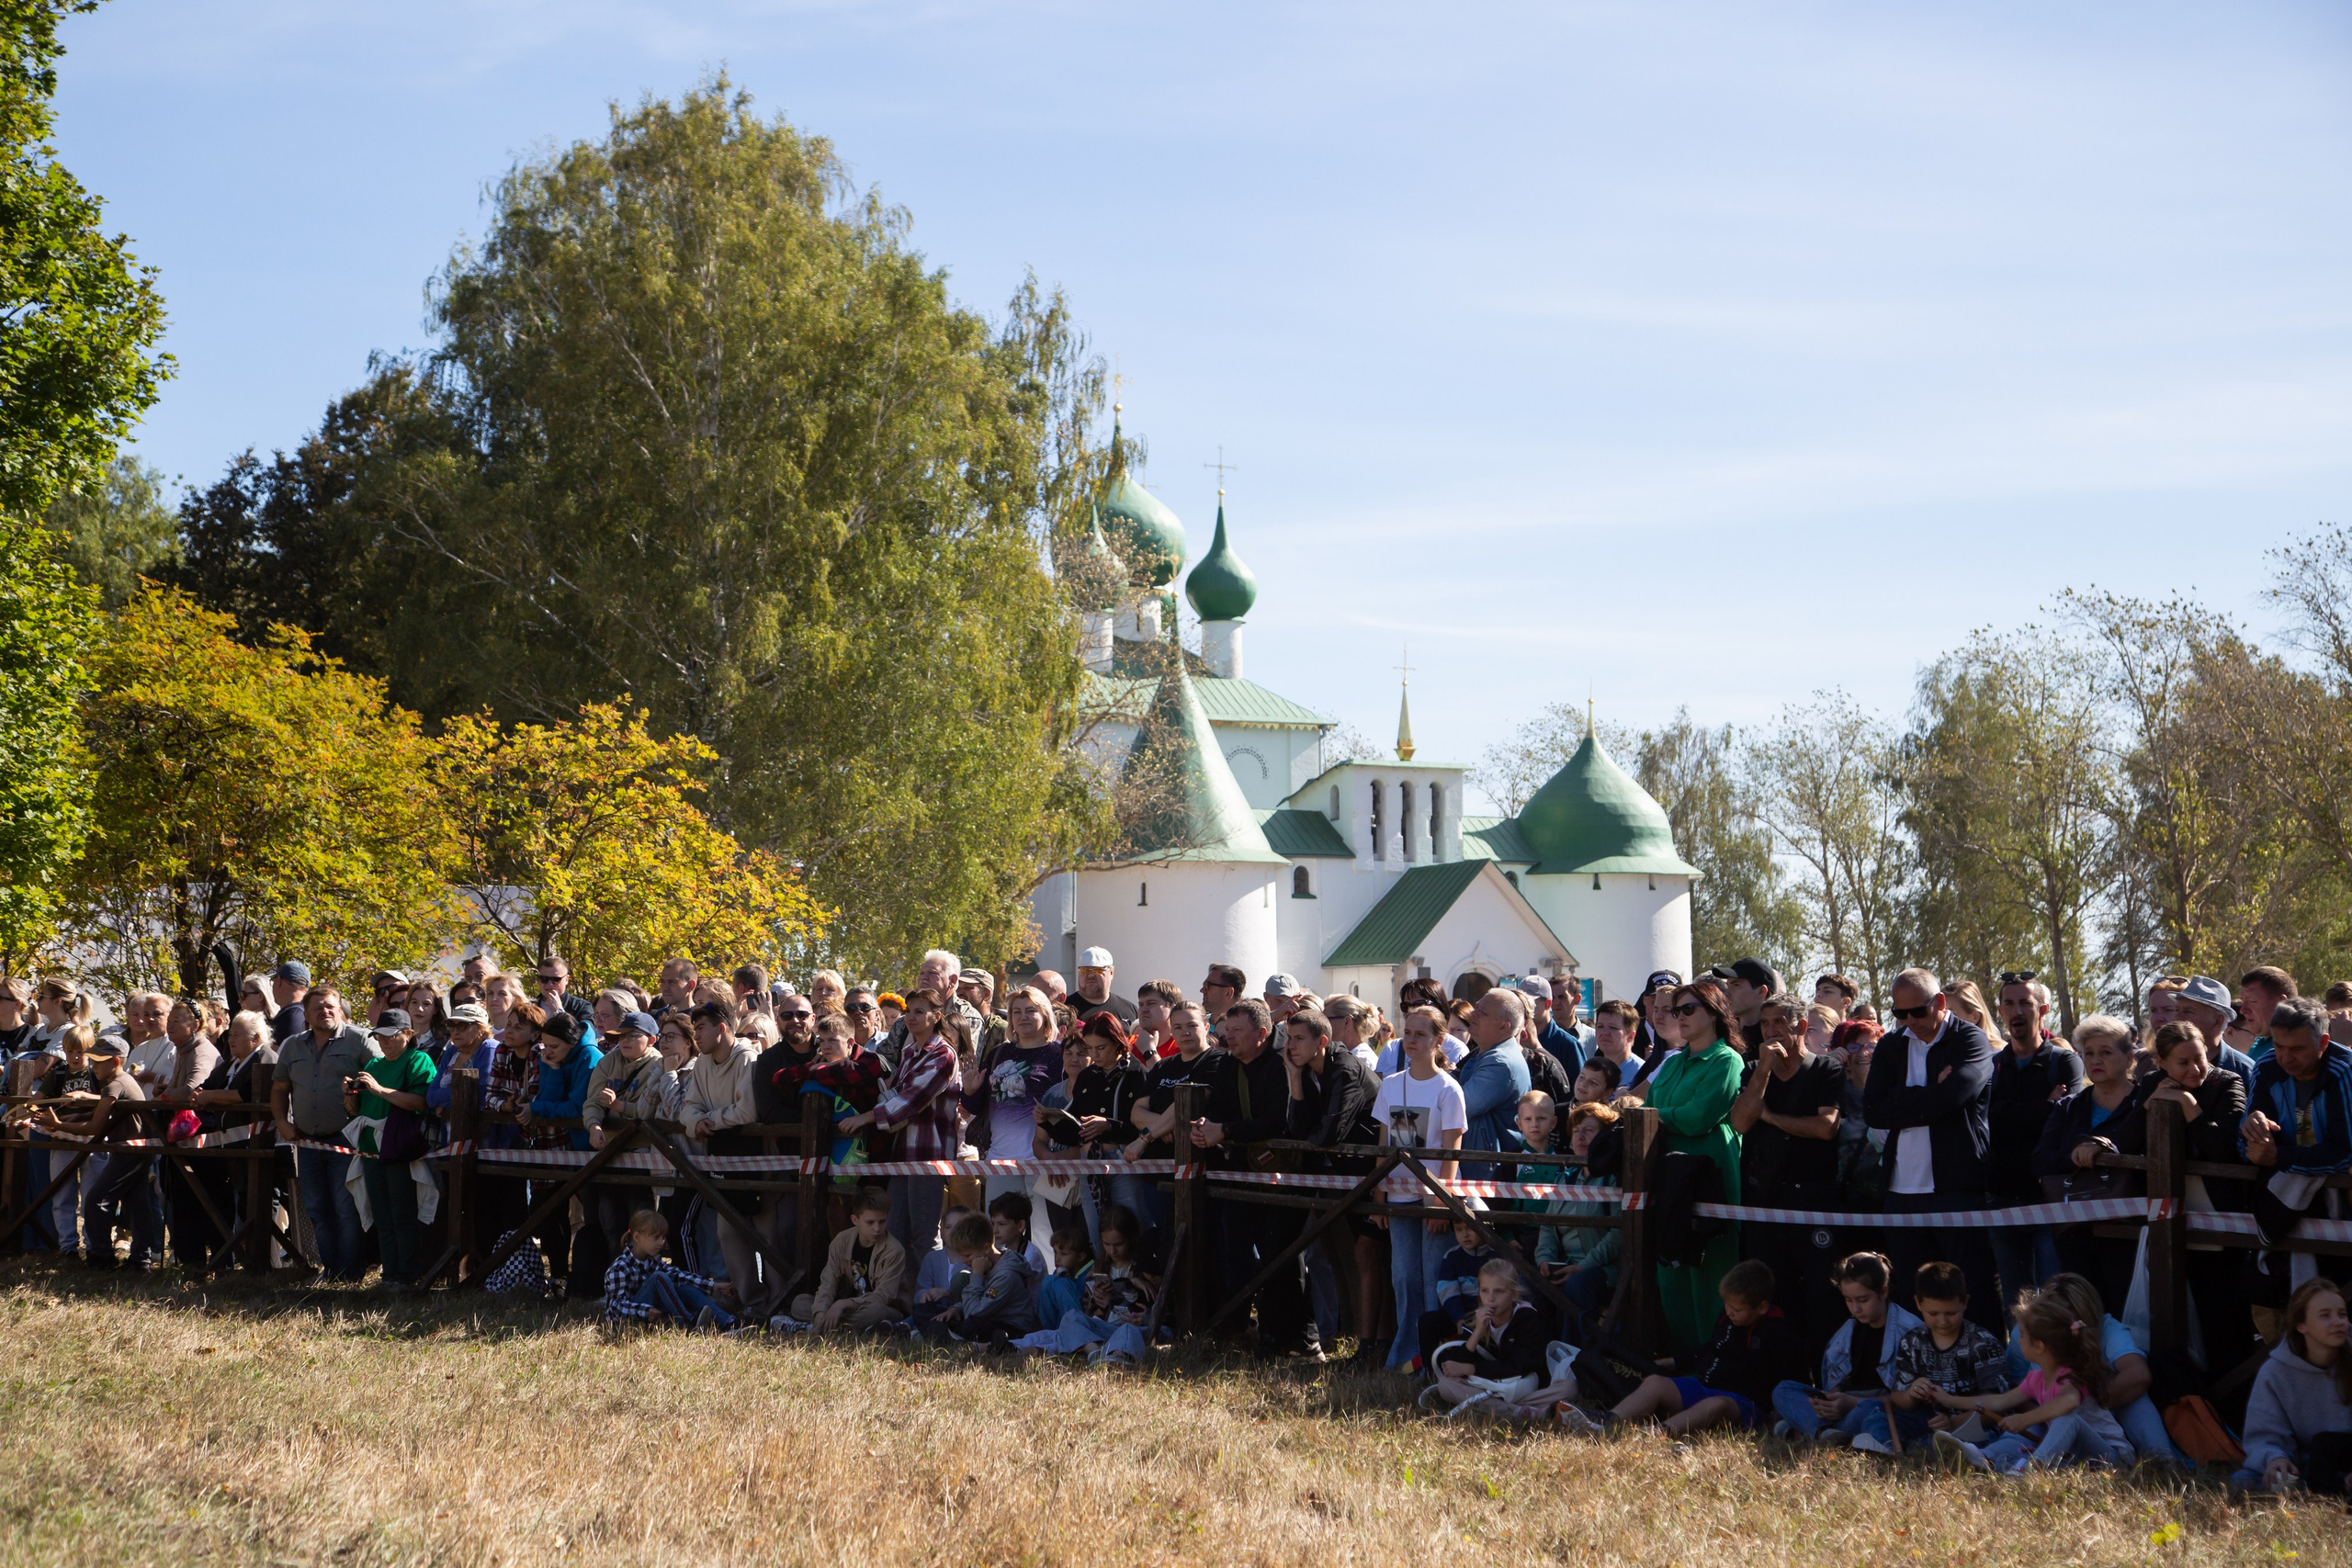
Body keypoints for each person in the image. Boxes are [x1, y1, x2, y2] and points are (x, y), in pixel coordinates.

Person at [1863, 966, 2000, 1330]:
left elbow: (1955, 1097)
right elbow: (1873, 1110)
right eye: (1900, 1013)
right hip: (1900, 1192)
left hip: (1956, 1188)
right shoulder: (1892, 1045)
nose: (1910, 1021)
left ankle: (1986, 1362)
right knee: (1912, 1296)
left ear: (1939, 1002)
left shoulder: (1970, 1040)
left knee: (1971, 1290)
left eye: (1918, 1011)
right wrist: (1930, 1092)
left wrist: (1901, 1100)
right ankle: (1917, 1362)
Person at [1194, 998, 1317, 1359]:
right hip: (1242, 1174)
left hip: (1287, 1174)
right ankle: (1257, 1331)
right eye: (1226, 1030)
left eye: (1237, 1031)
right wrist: (1205, 1127)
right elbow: (1220, 1110)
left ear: (1262, 1033)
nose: (1228, 1037)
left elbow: (1279, 1122)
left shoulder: (1285, 1062)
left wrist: (1225, 1130)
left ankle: (1300, 1338)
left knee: (1283, 1256)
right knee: (1237, 1254)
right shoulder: (1228, 1065)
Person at [1560, 1260, 1798, 1438]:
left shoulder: (1778, 1333)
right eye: (1727, 1305)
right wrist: (1674, 1362)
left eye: (1737, 1309)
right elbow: (1712, 1349)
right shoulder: (1727, 1319)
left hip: (1742, 1403)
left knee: (1717, 1405)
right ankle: (1607, 1420)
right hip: (1706, 1386)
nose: (1729, 1312)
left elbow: (1788, 1380)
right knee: (1655, 1382)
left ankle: (1657, 1434)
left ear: (1762, 1308)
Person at [1730, 992, 1846, 1349]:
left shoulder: (1826, 1070)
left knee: (1821, 1294)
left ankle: (1824, 1369)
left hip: (1813, 1199)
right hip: (1764, 1200)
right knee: (1772, 1294)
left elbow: (1826, 1128)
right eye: (1766, 1024)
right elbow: (1740, 1122)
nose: (1771, 1031)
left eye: (1780, 1022)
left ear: (1802, 1025)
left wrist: (1770, 1117)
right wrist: (1763, 1071)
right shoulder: (1754, 1070)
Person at [1647, 979, 1747, 1352]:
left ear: (1715, 1013)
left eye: (1688, 1008)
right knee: (1672, 1275)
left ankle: (1717, 1361)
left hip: (1710, 1179)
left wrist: (1658, 1117)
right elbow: (1652, 1111)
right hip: (1670, 1180)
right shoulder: (1673, 1063)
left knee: (1712, 1277)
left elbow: (1698, 1118)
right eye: (1677, 1010)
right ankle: (1684, 1364)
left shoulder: (1728, 1060)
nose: (1679, 1016)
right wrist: (1660, 1116)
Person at [1933, 1292, 2134, 1472]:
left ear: (2039, 1346)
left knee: (2066, 1419)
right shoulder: (2036, 1378)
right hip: (2077, 1459)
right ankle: (1985, 1457)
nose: (2018, 1340)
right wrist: (1950, 1400)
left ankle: (2030, 1470)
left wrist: (2024, 1419)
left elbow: (2070, 1401)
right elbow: (2000, 1401)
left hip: (2113, 1459)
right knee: (2017, 1450)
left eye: (2022, 1335)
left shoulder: (2069, 1377)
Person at [842, 987, 966, 1279]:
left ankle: (934, 1295)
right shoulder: (909, 1052)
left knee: (924, 1236)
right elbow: (892, 1094)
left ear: (937, 1016)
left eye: (919, 1012)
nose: (911, 1017)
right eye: (908, 1011)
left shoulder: (944, 1054)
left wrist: (866, 1118)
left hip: (929, 1156)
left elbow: (910, 1101)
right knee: (896, 1233)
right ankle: (907, 1297)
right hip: (901, 1152)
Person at [2030, 1015, 2145, 1312]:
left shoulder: (2146, 1104)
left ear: (2129, 1058)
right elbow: (2041, 1161)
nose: (2095, 1060)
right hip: (2076, 1230)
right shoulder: (2068, 1107)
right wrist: (2073, 1157)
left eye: (2106, 1052)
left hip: (2131, 1230)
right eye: (2089, 1053)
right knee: (2084, 1315)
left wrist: (2104, 1154)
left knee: (2128, 1314)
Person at [1374, 1004, 1465, 1370]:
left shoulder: (1449, 1088)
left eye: (1420, 1034)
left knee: (1433, 1281)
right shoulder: (1391, 1084)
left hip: (1433, 1198)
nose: (1411, 1040)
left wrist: (1441, 1200)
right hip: (1398, 1194)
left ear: (1438, 1040)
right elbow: (1384, 1144)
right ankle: (1405, 1355)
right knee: (1404, 1277)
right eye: (1407, 1033)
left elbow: (1451, 1151)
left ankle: (1434, 1357)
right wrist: (1379, 1191)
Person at [270, 987, 379, 1282]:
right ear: (306, 1015)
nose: (325, 1011)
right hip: (307, 1141)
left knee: (346, 1210)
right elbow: (279, 1088)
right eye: (317, 1008)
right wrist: (282, 1122)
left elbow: (381, 1077)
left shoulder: (360, 1040)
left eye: (330, 1006)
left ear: (340, 1010)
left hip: (348, 1141)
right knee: (317, 1209)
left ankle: (351, 1274)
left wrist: (357, 1093)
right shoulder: (293, 1046)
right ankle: (331, 1271)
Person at [1769, 1251, 1921, 1445]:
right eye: (1849, 1300)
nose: (1855, 1309)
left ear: (1883, 1291)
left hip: (1877, 1409)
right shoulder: (1846, 1332)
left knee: (1869, 1412)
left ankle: (1811, 1430)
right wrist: (1827, 1402)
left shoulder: (1909, 1332)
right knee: (1784, 1390)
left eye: (1863, 1300)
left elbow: (1908, 1403)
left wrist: (1851, 1403)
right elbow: (1836, 1384)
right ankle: (1825, 1432)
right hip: (1846, 1406)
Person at [39, 1038, 159, 1269]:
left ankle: (102, 1257)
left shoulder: (114, 1086)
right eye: (92, 1060)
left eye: (98, 1061)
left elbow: (95, 1127)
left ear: (115, 1062)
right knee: (137, 1204)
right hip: (136, 1150)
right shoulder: (124, 1081)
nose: (93, 1066)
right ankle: (140, 1260)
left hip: (128, 1152)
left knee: (96, 1201)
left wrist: (58, 1125)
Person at [1873, 1260, 2010, 1453]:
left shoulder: (1982, 1344)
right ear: (1918, 1303)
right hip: (1929, 1420)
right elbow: (1898, 1399)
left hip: (1972, 1425)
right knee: (1875, 1415)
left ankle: (1918, 1448)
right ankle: (1891, 1447)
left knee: (1974, 1443)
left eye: (1951, 1313)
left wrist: (1954, 1423)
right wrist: (1912, 1393)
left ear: (1965, 1302)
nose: (1943, 1321)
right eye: (1933, 1313)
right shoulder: (1912, 1341)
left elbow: (1998, 1406)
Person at [345, 1009, 435, 1292]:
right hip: (371, 1149)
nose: (382, 1041)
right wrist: (349, 1093)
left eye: (389, 1036)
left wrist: (379, 1089)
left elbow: (420, 1102)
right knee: (382, 1216)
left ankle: (407, 1275)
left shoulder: (418, 1060)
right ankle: (390, 1275)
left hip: (399, 1149)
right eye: (378, 1036)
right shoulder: (373, 1064)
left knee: (403, 1213)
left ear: (408, 1034)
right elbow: (355, 1110)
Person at [2236, 1278, 2352, 1494]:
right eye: (2325, 1315)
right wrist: (2275, 1458)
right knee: (2242, 1481)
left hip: (2346, 1455)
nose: (2338, 1322)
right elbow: (2264, 1434)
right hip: (2305, 1464)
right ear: (2301, 1325)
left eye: (2342, 1314)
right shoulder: (2275, 1372)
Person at [1535, 1103, 1621, 1334]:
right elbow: (1547, 1227)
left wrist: (1583, 1267)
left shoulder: (1614, 1179)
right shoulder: (1565, 1178)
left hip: (1604, 1270)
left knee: (1576, 1286)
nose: (1580, 1137)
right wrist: (1545, 1259)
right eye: (1575, 1131)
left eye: (1589, 1131)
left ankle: (1578, 1353)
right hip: (1565, 1265)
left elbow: (1619, 1235)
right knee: (1531, 1282)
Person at [1427, 1258, 1550, 1412]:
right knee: (1446, 1385)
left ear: (1514, 1295)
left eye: (1498, 1291)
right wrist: (1477, 1332)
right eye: (1484, 1291)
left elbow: (1519, 1366)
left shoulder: (1528, 1319)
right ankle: (1515, 1411)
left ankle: (1503, 1408)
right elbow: (1454, 1365)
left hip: (1522, 1385)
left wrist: (1471, 1369)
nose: (1490, 1299)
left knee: (1567, 1387)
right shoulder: (1477, 1319)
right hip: (1488, 1385)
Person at [790, 1187, 907, 1333]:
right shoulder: (842, 1240)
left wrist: (845, 1304)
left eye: (882, 1222)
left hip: (875, 1308)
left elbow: (884, 1296)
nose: (877, 1228)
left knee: (877, 1312)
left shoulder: (894, 1250)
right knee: (799, 1302)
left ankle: (826, 1326)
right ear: (855, 1220)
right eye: (870, 1222)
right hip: (846, 1308)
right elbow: (828, 1283)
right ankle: (832, 1324)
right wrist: (820, 1311)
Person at [602, 1210, 737, 1331]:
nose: (661, 1243)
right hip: (630, 1321)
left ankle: (729, 1323)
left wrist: (712, 1285)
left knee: (686, 1289)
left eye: (663, 1237)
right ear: (637, 1237)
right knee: (659, 1277)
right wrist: (644, 1311)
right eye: (656, 1237)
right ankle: (688, 1323)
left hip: (652, 1312)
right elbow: (615, 1308)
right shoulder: (620, 1267)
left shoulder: (653, 1260)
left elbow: (677, 1275)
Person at [920, 1210, 1037, 1345]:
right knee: (925, 1309)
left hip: (1010, 1327)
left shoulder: (1006, 1275)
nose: (963, 1260)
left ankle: (947, 1335)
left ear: (986, 1248)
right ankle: (943, 1332)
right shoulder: (988, 1260)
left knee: (972, 1325)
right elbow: (979, 1303)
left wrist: (977, 1275)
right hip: (986, 1314)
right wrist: (956, 1309)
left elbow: (974, 1313)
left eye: (967, 1255)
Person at [1455, 988, 1532, 1180]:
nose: (1474, 1014)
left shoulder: (1501, 1063)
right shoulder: (1485, 1052)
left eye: (1483, 1012)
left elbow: (1458, 1108)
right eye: (1476, 1007)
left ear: (1504, 1027)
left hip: (1488, 1176)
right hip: (1480, 1168)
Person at [2177, 975, 2262, 1102]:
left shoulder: (2246, 1071)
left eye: (2188, 1011)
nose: (2177, 1017)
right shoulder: (2165, 1063)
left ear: (2218, 1021)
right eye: (2176, 1009)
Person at [1717, 958, 1780, 1054]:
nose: (1726, 993)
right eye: (1728, 986)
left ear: (1761, 991)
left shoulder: (1775, 1036)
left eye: (1736, 985)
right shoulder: (1721, 1034)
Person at [2242, 966, 2298, 1063]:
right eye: (2243, 1001)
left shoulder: (2291, 1054)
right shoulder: (2260, 1044)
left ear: (2281, 1003)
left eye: (2252, 1001)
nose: (2243, 1010)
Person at [1070, 945, 1136, 1026]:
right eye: (1084, 970)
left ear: (1111, 973)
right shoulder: (1065, 1010)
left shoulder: (1129, 1010)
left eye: (1098, 970)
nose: (1091, 975)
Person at [266, 962, 311, 1048]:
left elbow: (278, 1054)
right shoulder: (305, 1012)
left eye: (273, 981)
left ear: (279, 981)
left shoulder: (291, 1016)